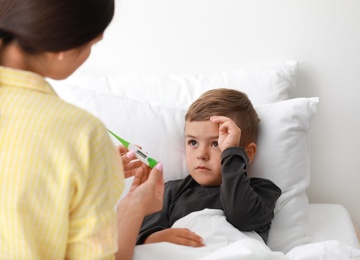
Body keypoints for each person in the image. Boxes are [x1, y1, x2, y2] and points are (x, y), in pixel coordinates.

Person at [0, 0, 163, 259]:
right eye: (92, 44)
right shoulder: (81, 133)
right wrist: (133, 209)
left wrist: (86, 176)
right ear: (64, 46)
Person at [136, 88, 282, 247]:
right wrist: (159, 238)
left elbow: (242, 217)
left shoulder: (262, 190)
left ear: (246, 154)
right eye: (193, 143)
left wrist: (231, 155)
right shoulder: (170, 192)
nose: (201, 154)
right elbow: (138, 241)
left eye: (215, 144)